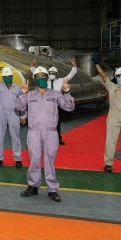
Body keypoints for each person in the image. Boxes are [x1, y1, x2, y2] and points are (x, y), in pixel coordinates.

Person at [16, 66, 75, 202]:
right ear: (34, 79)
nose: (41, 78)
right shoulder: (30, 95)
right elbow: (19, 109)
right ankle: (33, 186)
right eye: (38, 76)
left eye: (43, 76)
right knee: (34, 160)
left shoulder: (55, 94)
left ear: (47, 78)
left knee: (50, 160)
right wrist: (23, 94)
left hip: (51, 133)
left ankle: (52, 189)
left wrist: (67, 93)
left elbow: (69, 107)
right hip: (34, 132)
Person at [32, 59, 77, 145]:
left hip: (57, 105)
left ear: (56, 74)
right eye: (50, 73)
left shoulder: (61, 81)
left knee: (57, 122)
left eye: (53, 73)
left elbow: (70, 75)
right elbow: (37, 74)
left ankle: (58, 138)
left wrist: (74, 67)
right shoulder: (45, 81)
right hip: (46, 104)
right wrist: (33, 67)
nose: (52, 75)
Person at [0, 65, 24, 168]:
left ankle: (18, 159)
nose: (7, 78)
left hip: (14, 113)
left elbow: (22, 102)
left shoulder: (17, 88)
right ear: (3, 78)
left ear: (12, 76)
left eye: (9, 76)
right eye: (5, 76)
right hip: (1, 112)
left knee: (15, 136)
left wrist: (23, 115)